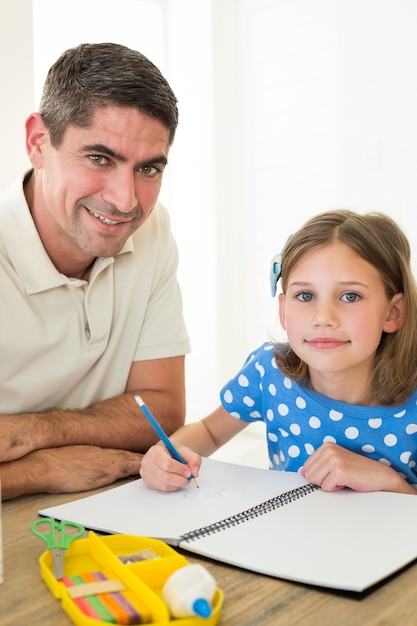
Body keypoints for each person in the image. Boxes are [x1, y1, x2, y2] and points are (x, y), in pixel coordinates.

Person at [0, 42, 191, 501]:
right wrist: (42, 470)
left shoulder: (152, 227)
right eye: (99, 159)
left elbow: (160, 410)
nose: (126, 201)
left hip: (106, 498)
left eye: (148, 168)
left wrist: (33, 433)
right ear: (38, 143)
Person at [140, 209, 417, 496]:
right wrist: (163, 456)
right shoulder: (269, 372)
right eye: (305, 296)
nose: (323, 317)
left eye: (350, 296)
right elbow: (210, 432)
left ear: (392, 312)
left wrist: (390, 482)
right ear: (283, 310)